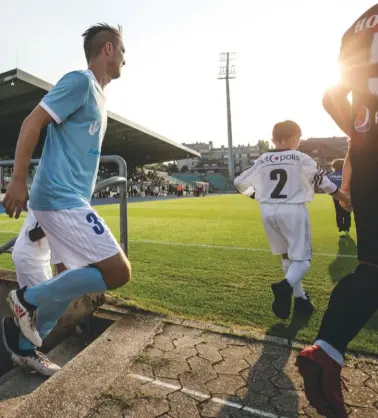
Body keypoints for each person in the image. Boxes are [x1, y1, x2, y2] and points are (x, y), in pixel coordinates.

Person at [1, 23, 131, 359]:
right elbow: (32, 122)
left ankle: (26, 344)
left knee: (70, 278)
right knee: (118, 271)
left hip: (67, 200)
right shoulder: (80, 83)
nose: (125, 60)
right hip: (59, 198)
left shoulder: (100, 97)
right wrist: (18, 180)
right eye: (123, 51)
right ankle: (26, 301)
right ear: (107, 50)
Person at [296, 4, 378, 417]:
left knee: (373, 265)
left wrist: (359, 134)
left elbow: (330, 95)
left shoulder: (359, 24)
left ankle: (326, 350)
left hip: (367, 158)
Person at [234, 120, 350, 320]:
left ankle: (301, 299)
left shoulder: (263, 159)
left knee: (287, 256)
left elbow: (239, 182)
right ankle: (285, 287)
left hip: (268, 211)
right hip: (293, 209)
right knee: (303, 259)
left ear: (273, 139)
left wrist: (257, 196)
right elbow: (321, 180)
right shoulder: (300, 157)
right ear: (296, 138)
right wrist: (343, 198)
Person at [2, 208, 65, 376]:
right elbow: (34, 233)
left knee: (36, 310)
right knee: (45, 308)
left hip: (37, 256)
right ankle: (26, 353)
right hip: (31, 258)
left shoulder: (59, 190)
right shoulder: (51, 191)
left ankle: (21, 350)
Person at [328, 158, 352, 237]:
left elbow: (328, 187)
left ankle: (341, 229)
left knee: (339, 214)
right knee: (347, 214)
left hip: (336, 198)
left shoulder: (330, 176)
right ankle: (347, 229)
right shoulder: (348, 174)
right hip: (347, 197)